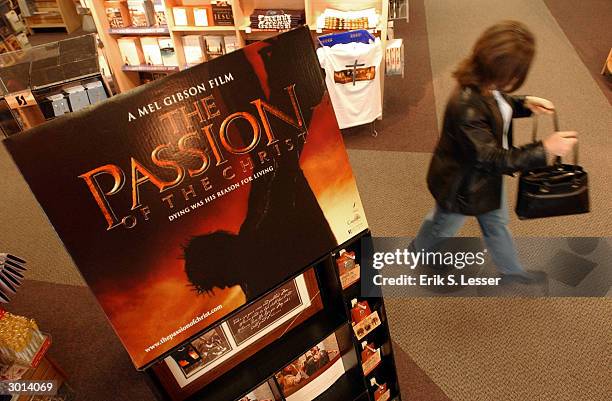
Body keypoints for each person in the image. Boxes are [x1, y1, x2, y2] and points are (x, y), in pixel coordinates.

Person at [412, 21, 578, 282]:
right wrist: (545, 149)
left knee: (495, 223)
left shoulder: (485, 81)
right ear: (501, 71)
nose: (514, 80)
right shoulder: (466, 106)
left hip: (484, 178)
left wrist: (524, 104)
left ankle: (511, 271)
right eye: (514, 75)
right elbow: (492, 157)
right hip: (461, 185)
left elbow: (497, 105)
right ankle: (420, 252)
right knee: (442, 224)